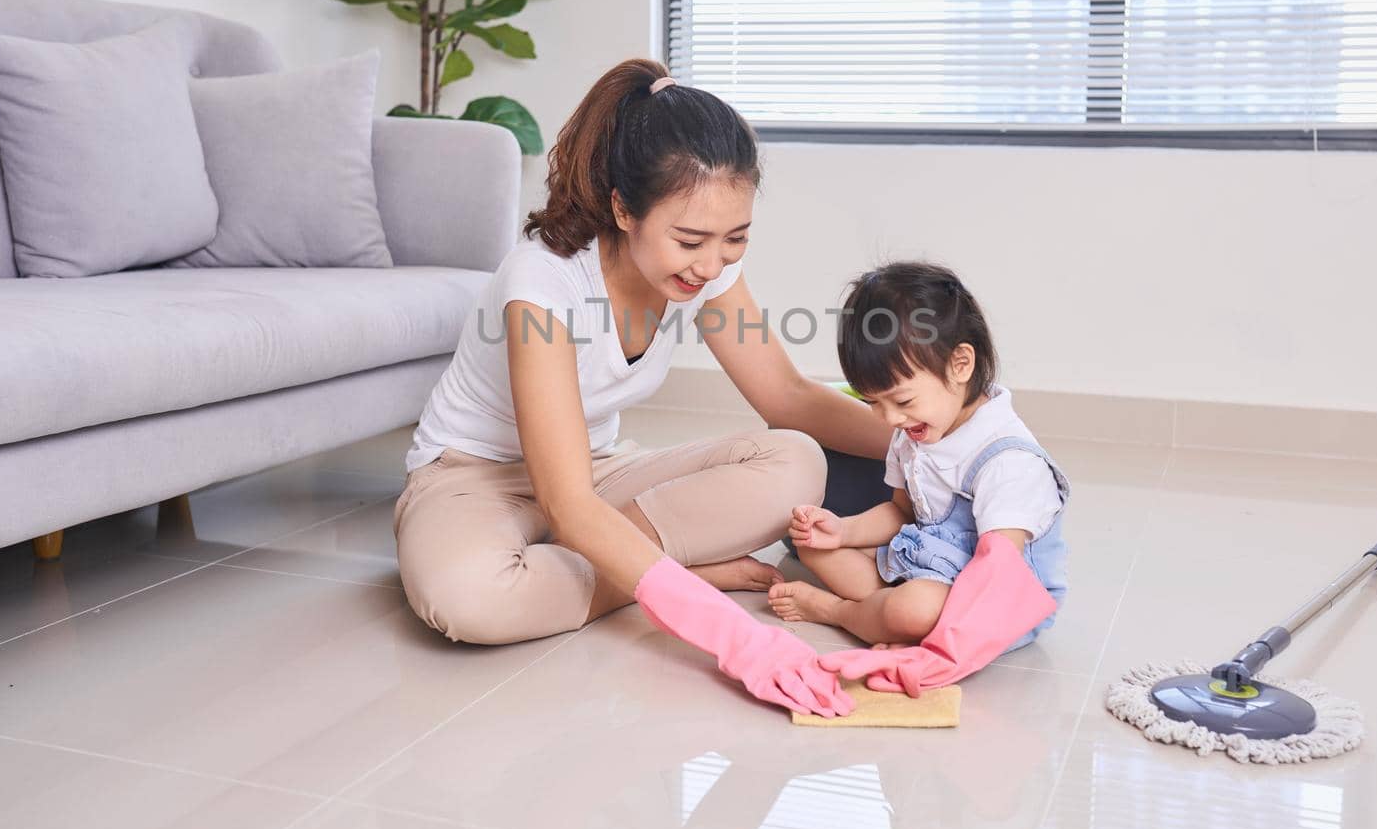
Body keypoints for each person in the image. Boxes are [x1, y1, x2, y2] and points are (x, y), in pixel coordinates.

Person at [393, 59, 890, 715]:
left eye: (735, 238)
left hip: (596, 473)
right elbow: (565, 504)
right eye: (690, 240)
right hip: (471, 478)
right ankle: (662, 572)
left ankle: (614, 567)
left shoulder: (701, 268)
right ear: (624, 209)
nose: (711, 264)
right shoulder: (543, 283)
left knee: (796, 459)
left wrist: (943, 439)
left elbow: (787, 397)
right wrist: (733, 633)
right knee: (468, 597)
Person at [768, 262, 1069, 652]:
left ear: (960, 364)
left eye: (902, 400)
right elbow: (901, 513)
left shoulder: (1008, 462)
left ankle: (839, 612)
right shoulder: (915, 430)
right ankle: (887, 614)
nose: (890, 418)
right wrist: (843, 531)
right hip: (928, 562)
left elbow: (998, 572)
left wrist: (928, 620)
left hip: (995, 594)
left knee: (913, 609)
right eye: (873, 402)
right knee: (812, 546)